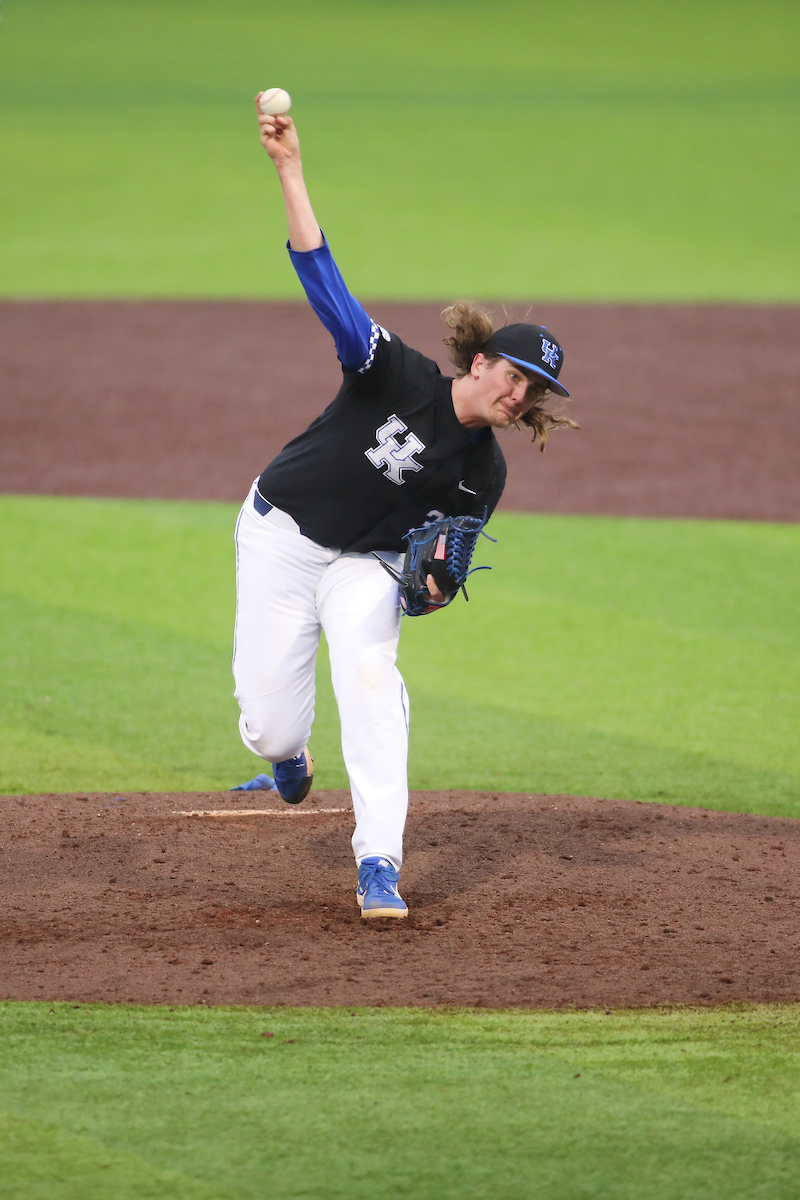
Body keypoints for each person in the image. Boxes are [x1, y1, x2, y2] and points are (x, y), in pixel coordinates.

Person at [232, 100, 574, 919]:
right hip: (279, 538)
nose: (519, 396)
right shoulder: (392, 371)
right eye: (514, 378)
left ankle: (378, 863)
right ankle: (288, 761)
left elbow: (442, 569)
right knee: (271, 729)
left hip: (361, 572)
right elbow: (325, 281)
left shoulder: (482, 474)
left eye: (533, 392)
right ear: (483, 362)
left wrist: (433, 590)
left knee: (374, 683)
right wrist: (289, 169)